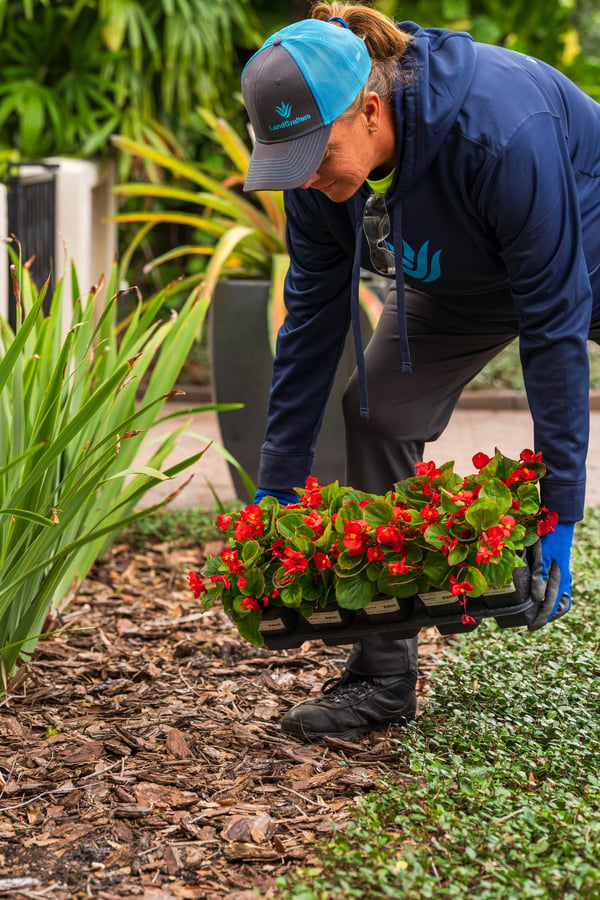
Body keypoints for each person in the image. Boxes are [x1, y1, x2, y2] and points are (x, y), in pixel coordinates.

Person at [240, 1, 600, 743]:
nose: (303, 179)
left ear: (369, 110)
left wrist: (560, 504)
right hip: (459, 281)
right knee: (378, 413)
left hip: (581, 250)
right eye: (289, 163)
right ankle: (382, 676)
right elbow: (311, 320)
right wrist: (277, 482)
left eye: (315, 157)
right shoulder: (318, 179)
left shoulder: (499, 131)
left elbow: (555, 324)